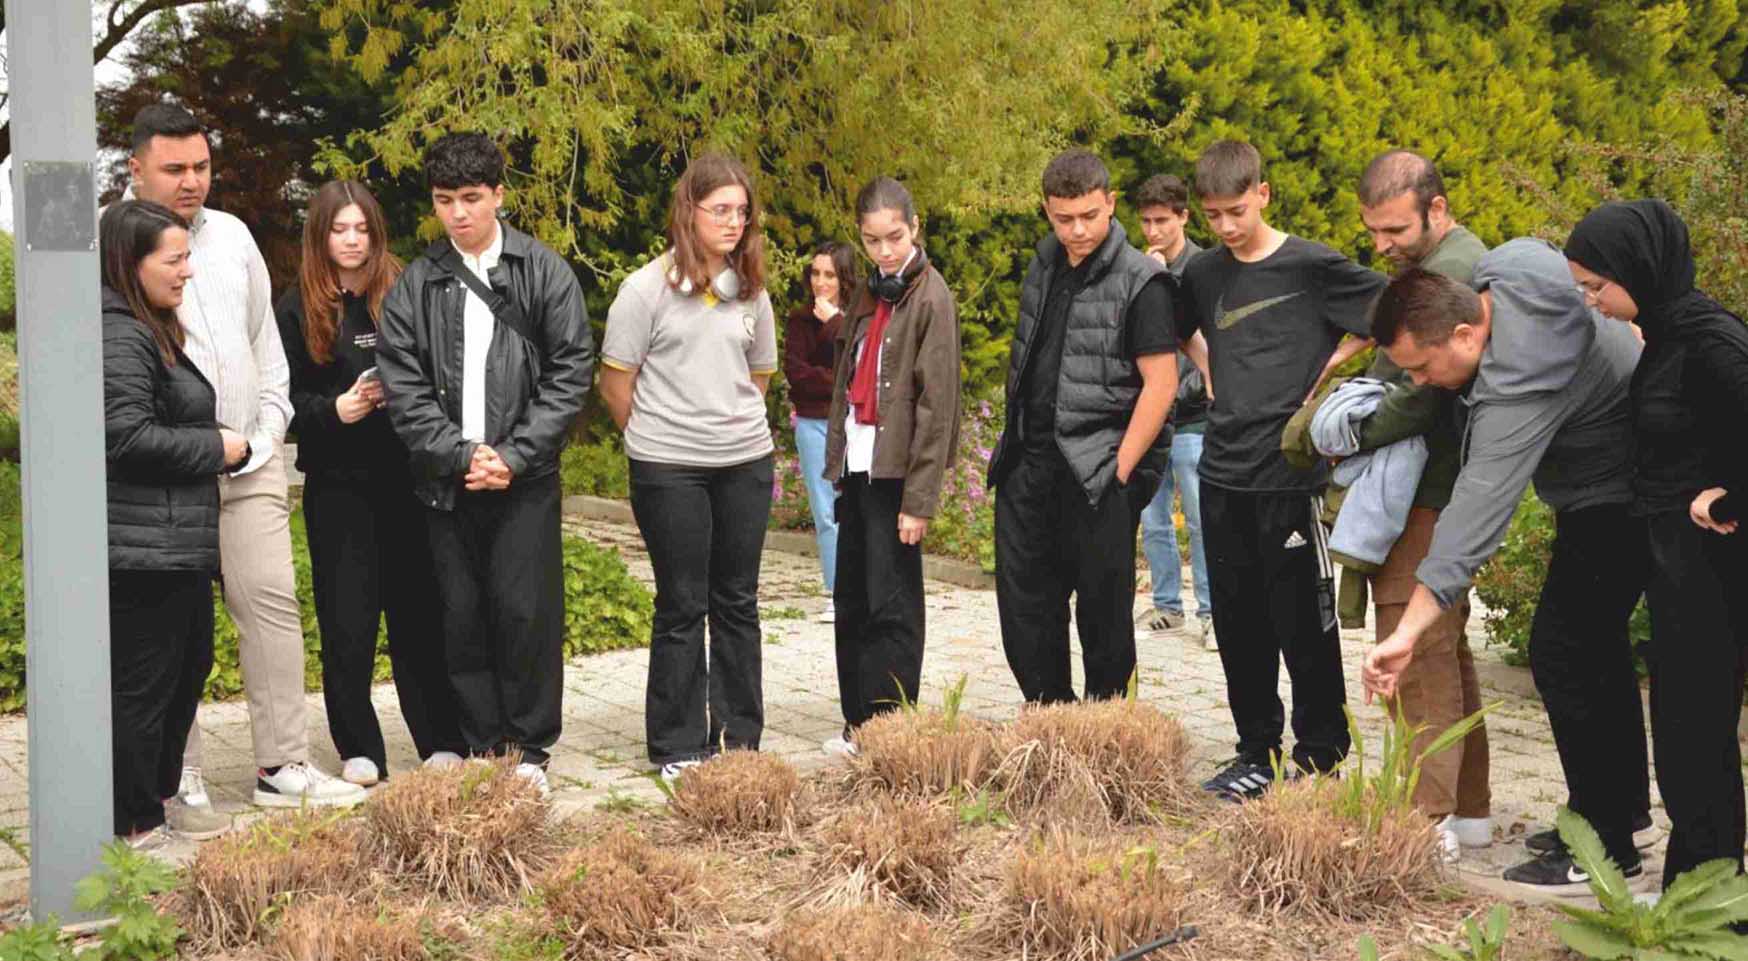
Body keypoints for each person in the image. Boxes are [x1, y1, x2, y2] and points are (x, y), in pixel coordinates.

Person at [1361, 241, 1647, 892]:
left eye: (1423, 366)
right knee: (1595, 647)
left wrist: (1406, 633)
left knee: (1564, 652)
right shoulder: (1511, 267)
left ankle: (1604, 848)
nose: (1420, 383)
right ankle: (1621, 814)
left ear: (1466, 332)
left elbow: (1473, 520)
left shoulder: (1520, 384)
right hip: (1613, 482)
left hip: (1623, 493)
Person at [122, 104, 364, 811]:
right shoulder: (113, 241)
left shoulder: (232, 236)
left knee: (272, 606)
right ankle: (177, 774)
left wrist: (269, 428)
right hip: (167, 474)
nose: (192, 180)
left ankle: (283, 766)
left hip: (251, 462)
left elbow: (265, 344)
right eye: (174, 168)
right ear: (136, 169)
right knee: (174, 628)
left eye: (201, 166)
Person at [377, 133, 595, 795]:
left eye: (471, 198)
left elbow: (570, 373)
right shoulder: (417, 283)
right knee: (461, 616)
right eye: (445, 200)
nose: (458, 213)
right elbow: (402, 384)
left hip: (523, 480)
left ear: (499, 195)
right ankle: (480, 744)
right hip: (448, 481)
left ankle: (529, 751)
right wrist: (460, 453)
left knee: (526, 615)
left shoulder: (544, 272)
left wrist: (515, 456)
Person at [1178, 140, 1382, 801]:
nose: (1226, 226)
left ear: (1263, 194)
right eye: (1213, 215)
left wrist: (1333, 364)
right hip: (1222, 473)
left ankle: (1320, 756)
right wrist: (1208, 367)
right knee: (1238, 623)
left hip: (1289, 477)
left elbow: (1392, 310)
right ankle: (1255, 753)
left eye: (1237, 211)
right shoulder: (1204, 273)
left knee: (1302, 622)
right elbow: (1173, 326)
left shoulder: (1312, 265)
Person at [1565, 199, 1748, 890]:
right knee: (1683, 737)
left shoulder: (1710, 340)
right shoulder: (1668, 332)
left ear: (1639, 269)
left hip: (1714, 573)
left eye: (1596, 286)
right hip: (1680, 572)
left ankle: (1712, 899)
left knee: (1694, 737)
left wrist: (1728, 499)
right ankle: (1698, 888)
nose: (1591, 301)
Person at [276, 180, 466, 786]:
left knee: (418, 611)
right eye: (340, 229)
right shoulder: (296, 307)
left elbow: (443, 370)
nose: (352, 240)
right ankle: (358, 746)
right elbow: (283, 401)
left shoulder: (405, 290)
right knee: (347, 618)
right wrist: (337, 410)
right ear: (320, 235)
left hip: (406, 478)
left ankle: (439, 736)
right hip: (338, 483)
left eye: (362, 229)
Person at [600, 153, 777, 784]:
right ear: (689, 211)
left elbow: (759, 374)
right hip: (668, 468)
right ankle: (676, 746)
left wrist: (725, 425)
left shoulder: (751, 290)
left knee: (738, 601)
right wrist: (659, 434)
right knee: (682, 603)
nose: (733, 222)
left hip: (744, 465)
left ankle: (737, 740)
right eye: (720, 209)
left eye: (741, 211)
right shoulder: (643, 291)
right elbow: (616, 382)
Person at [987, 149, 1187, 705]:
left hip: (1098, 472)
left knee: (1104, 621)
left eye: (1089, 216)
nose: (1077, 230)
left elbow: (1162, 384)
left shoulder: (1143, 280)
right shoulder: (1043, 264)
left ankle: (1106, 731)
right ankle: (1050, 718)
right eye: (1064, 218)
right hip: (1029, 465)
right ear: (1047, 211)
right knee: (1025, 608)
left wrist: (1120, 470)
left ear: (1111, 204)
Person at [1352, 150, 1494, 857]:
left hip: (1426, 490)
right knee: (1446, 648)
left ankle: (1426, 820)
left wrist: (1337, 432)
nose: (1382, 245)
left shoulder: (1453, 270)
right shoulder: (1444, 262)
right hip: (1433, 487)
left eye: (1395, 230)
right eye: (1373, 231)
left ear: (1436, 209)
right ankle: (1467, 810)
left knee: (1415, 651)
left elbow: (1415, 396)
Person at [100, 200, 243, 847]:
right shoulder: (120, 335)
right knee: (147, 686)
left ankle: (150, 806)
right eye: (175, 259)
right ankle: (134, 823)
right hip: (143, 551)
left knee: (185, 671)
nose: (188, 270)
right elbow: (126, 437)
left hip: (173, 544)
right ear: (132, 263)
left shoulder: (146, 328)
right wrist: (218, 447)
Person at [819, 177, 962, 756]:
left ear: (915, 227)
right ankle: (857, 723)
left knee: (892, 603)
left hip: (896, 474)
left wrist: (918, 500)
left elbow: (937, 406)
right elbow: (848, 378)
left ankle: (890, 728)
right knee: (852, 598)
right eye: (873, 240)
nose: (884, 251)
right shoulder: (868, 292)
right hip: (858, 465)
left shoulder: (932, 297)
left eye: (895, 238)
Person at [1131, 174, 1215, 650]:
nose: (1153, 231)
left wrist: (1182, 393)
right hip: (1151, 416)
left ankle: (1211, 611)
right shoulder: (1140, 267)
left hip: (1193, 417)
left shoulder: (1204, 270)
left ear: (1183, 217)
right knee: (1154, 517)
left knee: (1202, 519)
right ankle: (1167, 606)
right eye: (1145, 221)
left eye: (1162, 220)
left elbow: (1209, 344)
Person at [785, 241, 860, 623]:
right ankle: (836, 592)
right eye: (815, 273)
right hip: (813, 423)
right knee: (826, 511)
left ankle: (861, 588)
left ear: (844, 278)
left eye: (829, 274)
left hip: (855, 425)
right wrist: (836, 381)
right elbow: (797, 375)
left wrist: (835, 324)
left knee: (858, 507)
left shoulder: (859, 317)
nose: (820, 282)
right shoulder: (799, 320)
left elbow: (860, 368)